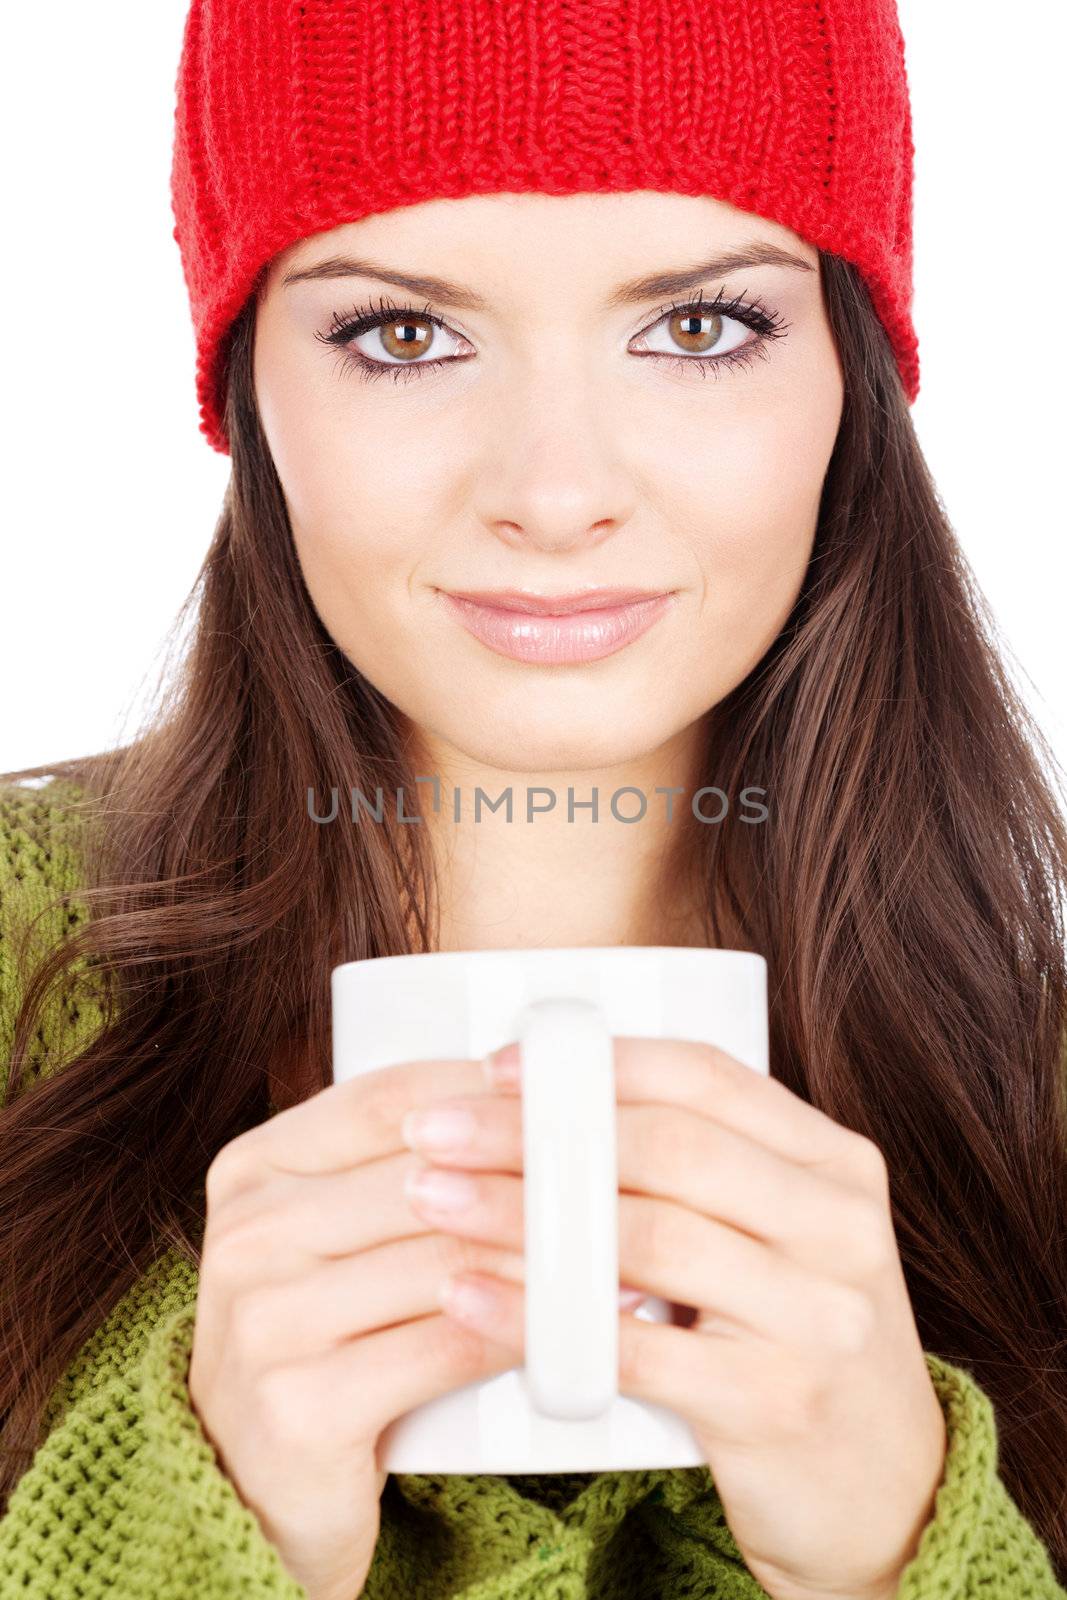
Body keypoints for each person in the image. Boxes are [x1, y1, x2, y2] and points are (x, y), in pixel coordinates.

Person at [1, 0, 1065, 1596]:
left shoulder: (1033, 1093)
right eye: (403, 334)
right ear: (247, 396)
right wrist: (188, 1544)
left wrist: (895, 1557)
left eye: (699, 327)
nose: (557, 494)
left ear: (855, 372)